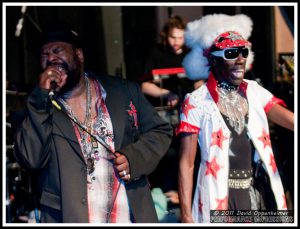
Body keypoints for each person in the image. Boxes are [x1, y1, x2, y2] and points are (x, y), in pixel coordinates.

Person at [13, 21, 173, 223]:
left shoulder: (123, 91)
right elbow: (31, 159)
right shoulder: (36, 106)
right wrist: (41, 100)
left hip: (128, 215)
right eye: (44, 56)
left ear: (79, 55)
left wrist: (134, 158)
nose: (51, 59)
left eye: (57, 50)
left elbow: (161, 130)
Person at [176, 14, 294, 223]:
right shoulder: (195, 101)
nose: (240, 58)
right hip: (219, 195)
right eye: (231, 53)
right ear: (213, 58)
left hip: (257, 193)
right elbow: (186, 163)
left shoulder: (254, 90)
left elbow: (292, 122)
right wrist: (186, 215)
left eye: (243, 51)